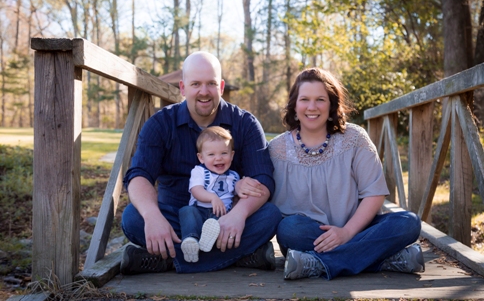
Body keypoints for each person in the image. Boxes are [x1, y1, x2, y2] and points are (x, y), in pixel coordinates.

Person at [120, 51, 281, 275]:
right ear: (183, 87)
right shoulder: (160, 123)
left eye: (211, 84)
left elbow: (263, 181)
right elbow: (138, 175)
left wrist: (238, 215)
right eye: (196, 84)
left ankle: (166, 261)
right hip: (176, 219)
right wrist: (152, 216)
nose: (204, 92)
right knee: (132, 218)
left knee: (270, 215)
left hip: (226, 219)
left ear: (221, 86)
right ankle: (242, 255)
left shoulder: (245, 124)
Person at [268, 68, 424, 280]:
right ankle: (382, 259)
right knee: (289, 228)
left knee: (409, 222)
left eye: (320, 99)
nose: (312, 107)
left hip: (357, 228)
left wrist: (347, 233)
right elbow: (258, 186)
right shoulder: (276, 149)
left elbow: (374, 193)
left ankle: (317, 263)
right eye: (305, 99)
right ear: (294, 105)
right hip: (309, 236)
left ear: (332, 104)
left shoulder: (354, 138)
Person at [180, 126, 240, 263]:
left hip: (221, 215)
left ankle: (208, 240)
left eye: (224, 153)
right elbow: (196, 190)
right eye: (211, 155)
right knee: (186, 211)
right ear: (201, 158)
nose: (218, 158)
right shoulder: (199, 171)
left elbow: (236, 197)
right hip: (199, 211)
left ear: (232, 155)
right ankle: (191, 240)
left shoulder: (234, 176)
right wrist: (213, 198)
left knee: (220, 223)